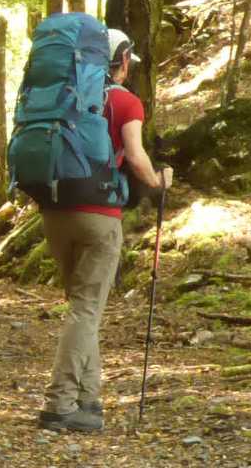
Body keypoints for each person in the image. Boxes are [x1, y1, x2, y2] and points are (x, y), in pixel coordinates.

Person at [36, 28, 166, 433]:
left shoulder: (64, 100)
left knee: (81, 307)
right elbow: (139, 160)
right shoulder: (126, 102)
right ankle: (59, 404)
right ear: (122, 60)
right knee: (86, 309)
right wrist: (160, 182)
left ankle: (89, 402)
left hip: (54, 213)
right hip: (99, 215)